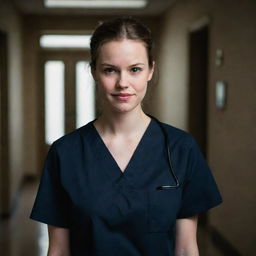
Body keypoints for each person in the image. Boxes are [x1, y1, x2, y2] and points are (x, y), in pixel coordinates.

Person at [30, 17, 222, 256]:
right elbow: (58, 250)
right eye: (110, 70)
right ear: (94, 72)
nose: (123, 83)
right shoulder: (65, 153)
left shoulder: (181, 148)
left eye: (135, 70)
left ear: (150, 70)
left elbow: (185, 249)